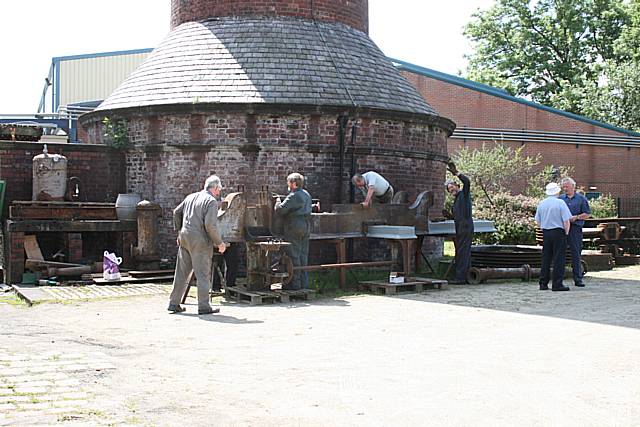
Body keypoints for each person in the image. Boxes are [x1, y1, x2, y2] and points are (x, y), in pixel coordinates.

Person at [167, 175, 227, 315]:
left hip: (185, 238)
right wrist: (219, 243)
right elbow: (210, 226)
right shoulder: (211, 201)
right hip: (200, 241)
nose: (219, 193)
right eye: (219, 189)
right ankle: (204, 306)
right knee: (203, 274)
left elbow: (176, 212)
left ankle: (173, 303)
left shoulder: (191, 197)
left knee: (181, 273)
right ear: (215, 188)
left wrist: (179, 232)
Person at [275, 173, 312, 290]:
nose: (288, 184)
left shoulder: (293, 196)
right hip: (305, 226)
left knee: (294, 254)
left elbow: (280, 210)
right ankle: (304, 284)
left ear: (294, 184)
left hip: (294, 226)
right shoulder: (306, 194)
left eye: (289, 182)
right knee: (303, 255)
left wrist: (277, 201)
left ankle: (294, 285)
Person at [535, 182, 573, 292]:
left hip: (546, 232)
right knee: (559, 258)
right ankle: (557, 284)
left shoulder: (542, 203)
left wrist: (543, 228)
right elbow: (566, 220)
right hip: (558, 232)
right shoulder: (560, 203)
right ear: (557, 191)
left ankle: (543, 283)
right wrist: (566, 233)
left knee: (546, 258)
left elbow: (537, 220)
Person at [445, 162, 474, 284]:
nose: (451, 190)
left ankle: (460, 278)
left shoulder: (464, 194)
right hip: (460, 228)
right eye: (449, 189)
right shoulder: (457, 201)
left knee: (462, 252)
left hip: (465, 227)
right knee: (462, 251)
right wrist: (449, 216)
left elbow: (467, 182)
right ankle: (465, 276)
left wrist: (457, 173)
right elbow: (458, 216)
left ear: (457, 186)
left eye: (452, 187)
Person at [560, 177, 591, 287]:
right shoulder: (560, 199)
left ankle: (578, 279)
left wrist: (577, 217)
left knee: (576, 254)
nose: (565, 189)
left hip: (575, 229)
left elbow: (587, 213)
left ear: (573, 186)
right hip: (562, 229)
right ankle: (559, 279)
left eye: (567, 187)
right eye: (563, 187)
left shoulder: (581, 199)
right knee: (560, 254)